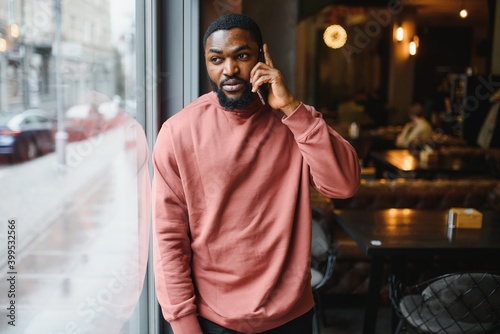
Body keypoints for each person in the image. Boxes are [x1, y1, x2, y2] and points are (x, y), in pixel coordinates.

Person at [152, 13, 360, 334]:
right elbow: (169, 238)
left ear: (262, 58)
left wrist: (292, 108)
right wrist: (183, 324)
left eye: (242, 56)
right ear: (207, 64)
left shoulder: (295, 121)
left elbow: (343, 185)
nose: (229, 69)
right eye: (216, 59)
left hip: (290, 315)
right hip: (213, 319)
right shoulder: (178, 133)